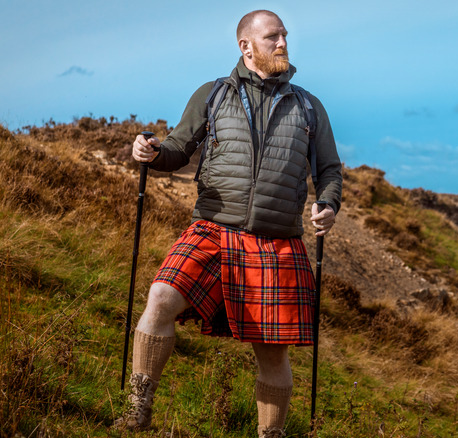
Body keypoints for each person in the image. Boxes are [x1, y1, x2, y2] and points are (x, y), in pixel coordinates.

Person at [113, 10, 342, 438]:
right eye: (272, 36)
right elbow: (178, 150)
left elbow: (329, 170)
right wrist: (151, 152)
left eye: (285, 36)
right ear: (246, 46)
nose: (283, 43)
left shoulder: (309, 107)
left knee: (272, 353)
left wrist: (328, 203)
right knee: (160, 297)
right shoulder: (213, 94)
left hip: (277, 241)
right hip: (213, 228)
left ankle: (270, 435)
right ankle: (135, 411)